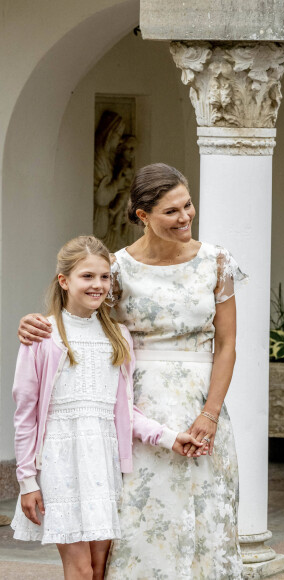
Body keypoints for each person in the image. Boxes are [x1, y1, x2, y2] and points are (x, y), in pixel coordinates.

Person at [19, 163, 247, 579]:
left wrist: (210, 413)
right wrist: (35, 323)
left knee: (206, 509)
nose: (186, 217)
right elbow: (83, 321)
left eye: (188, 205)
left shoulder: (217, 262)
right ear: (143, 216)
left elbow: (228, 344)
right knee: (141, 516)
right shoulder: (118, 268)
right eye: (172, 211)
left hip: (202, 403)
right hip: (136, 406)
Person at [11, 235, 199, 580]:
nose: (97, 285)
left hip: (104, 463)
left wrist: (170, 437)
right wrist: (27, 481)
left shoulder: (118, 336)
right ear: (64, 281)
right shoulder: (43, 335)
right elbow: (25, 413)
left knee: (100, 569)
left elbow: (125, 413)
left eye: (104, 277)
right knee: (80, 569)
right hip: (60, 463)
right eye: (87, 276)